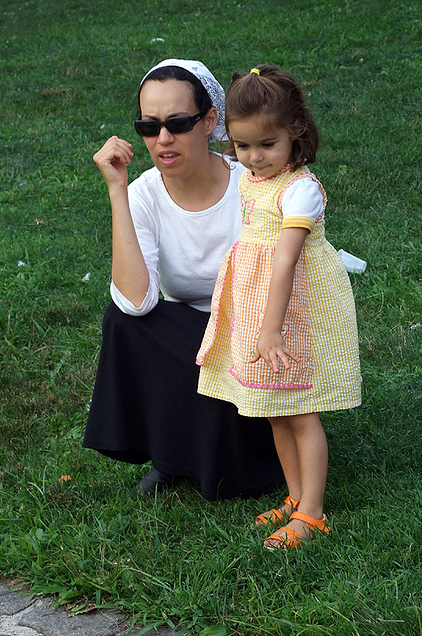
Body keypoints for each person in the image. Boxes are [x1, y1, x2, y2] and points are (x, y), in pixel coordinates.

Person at [82, 59, 285, 500]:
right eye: (148, 127)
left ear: (210, 119)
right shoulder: (143, 194)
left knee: (208, 342)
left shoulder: (252, 185)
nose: (163, 139)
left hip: (257, 336)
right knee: (125, 321)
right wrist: (119, 190)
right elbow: (136, 302)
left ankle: (252, 451)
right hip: (188, 344)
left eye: (177, 122)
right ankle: (172, 457)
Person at [196, 65, 361, 547]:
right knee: (275, 407)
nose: (253, 157)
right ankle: (294, 497)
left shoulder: (301, 190)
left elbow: (285, 261)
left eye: (266, 145)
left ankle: (313, 512)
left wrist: (270, 331)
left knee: (302, 409)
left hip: (294, 311)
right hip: (256, 301)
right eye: (242, 146)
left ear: (296, 132)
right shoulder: (251, 179)